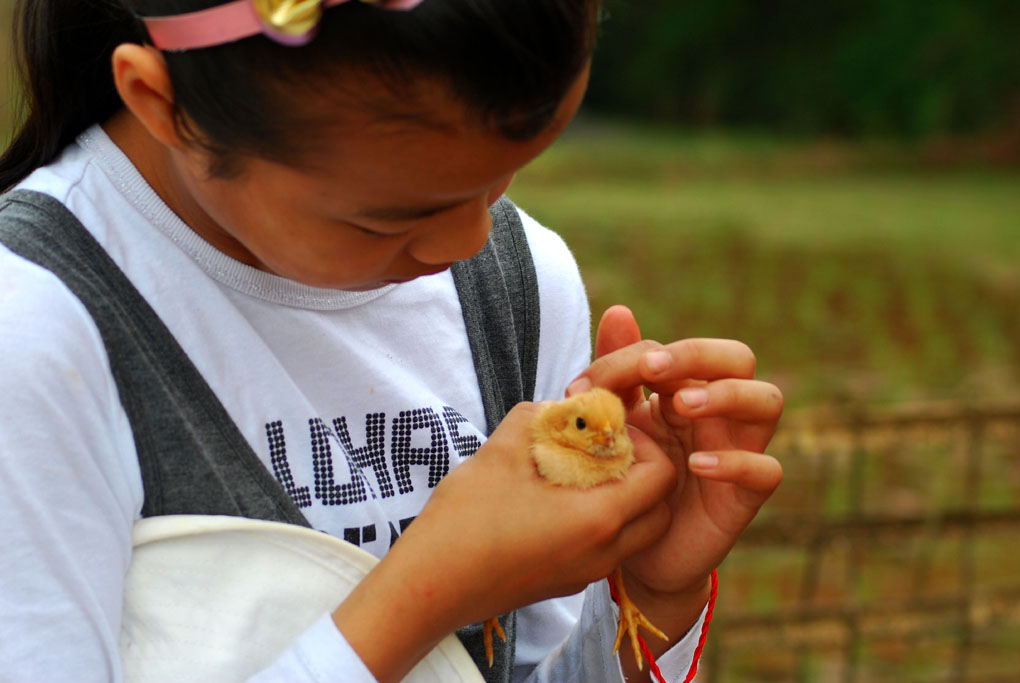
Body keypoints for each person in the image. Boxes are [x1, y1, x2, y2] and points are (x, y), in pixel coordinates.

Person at [0, 1, 784, 681]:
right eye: (386, 218)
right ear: (161, 102)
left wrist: (648, 597)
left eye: (503, 176)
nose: (469, 241)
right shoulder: (39, 326)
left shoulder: (519, 283)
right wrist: (427, 593)